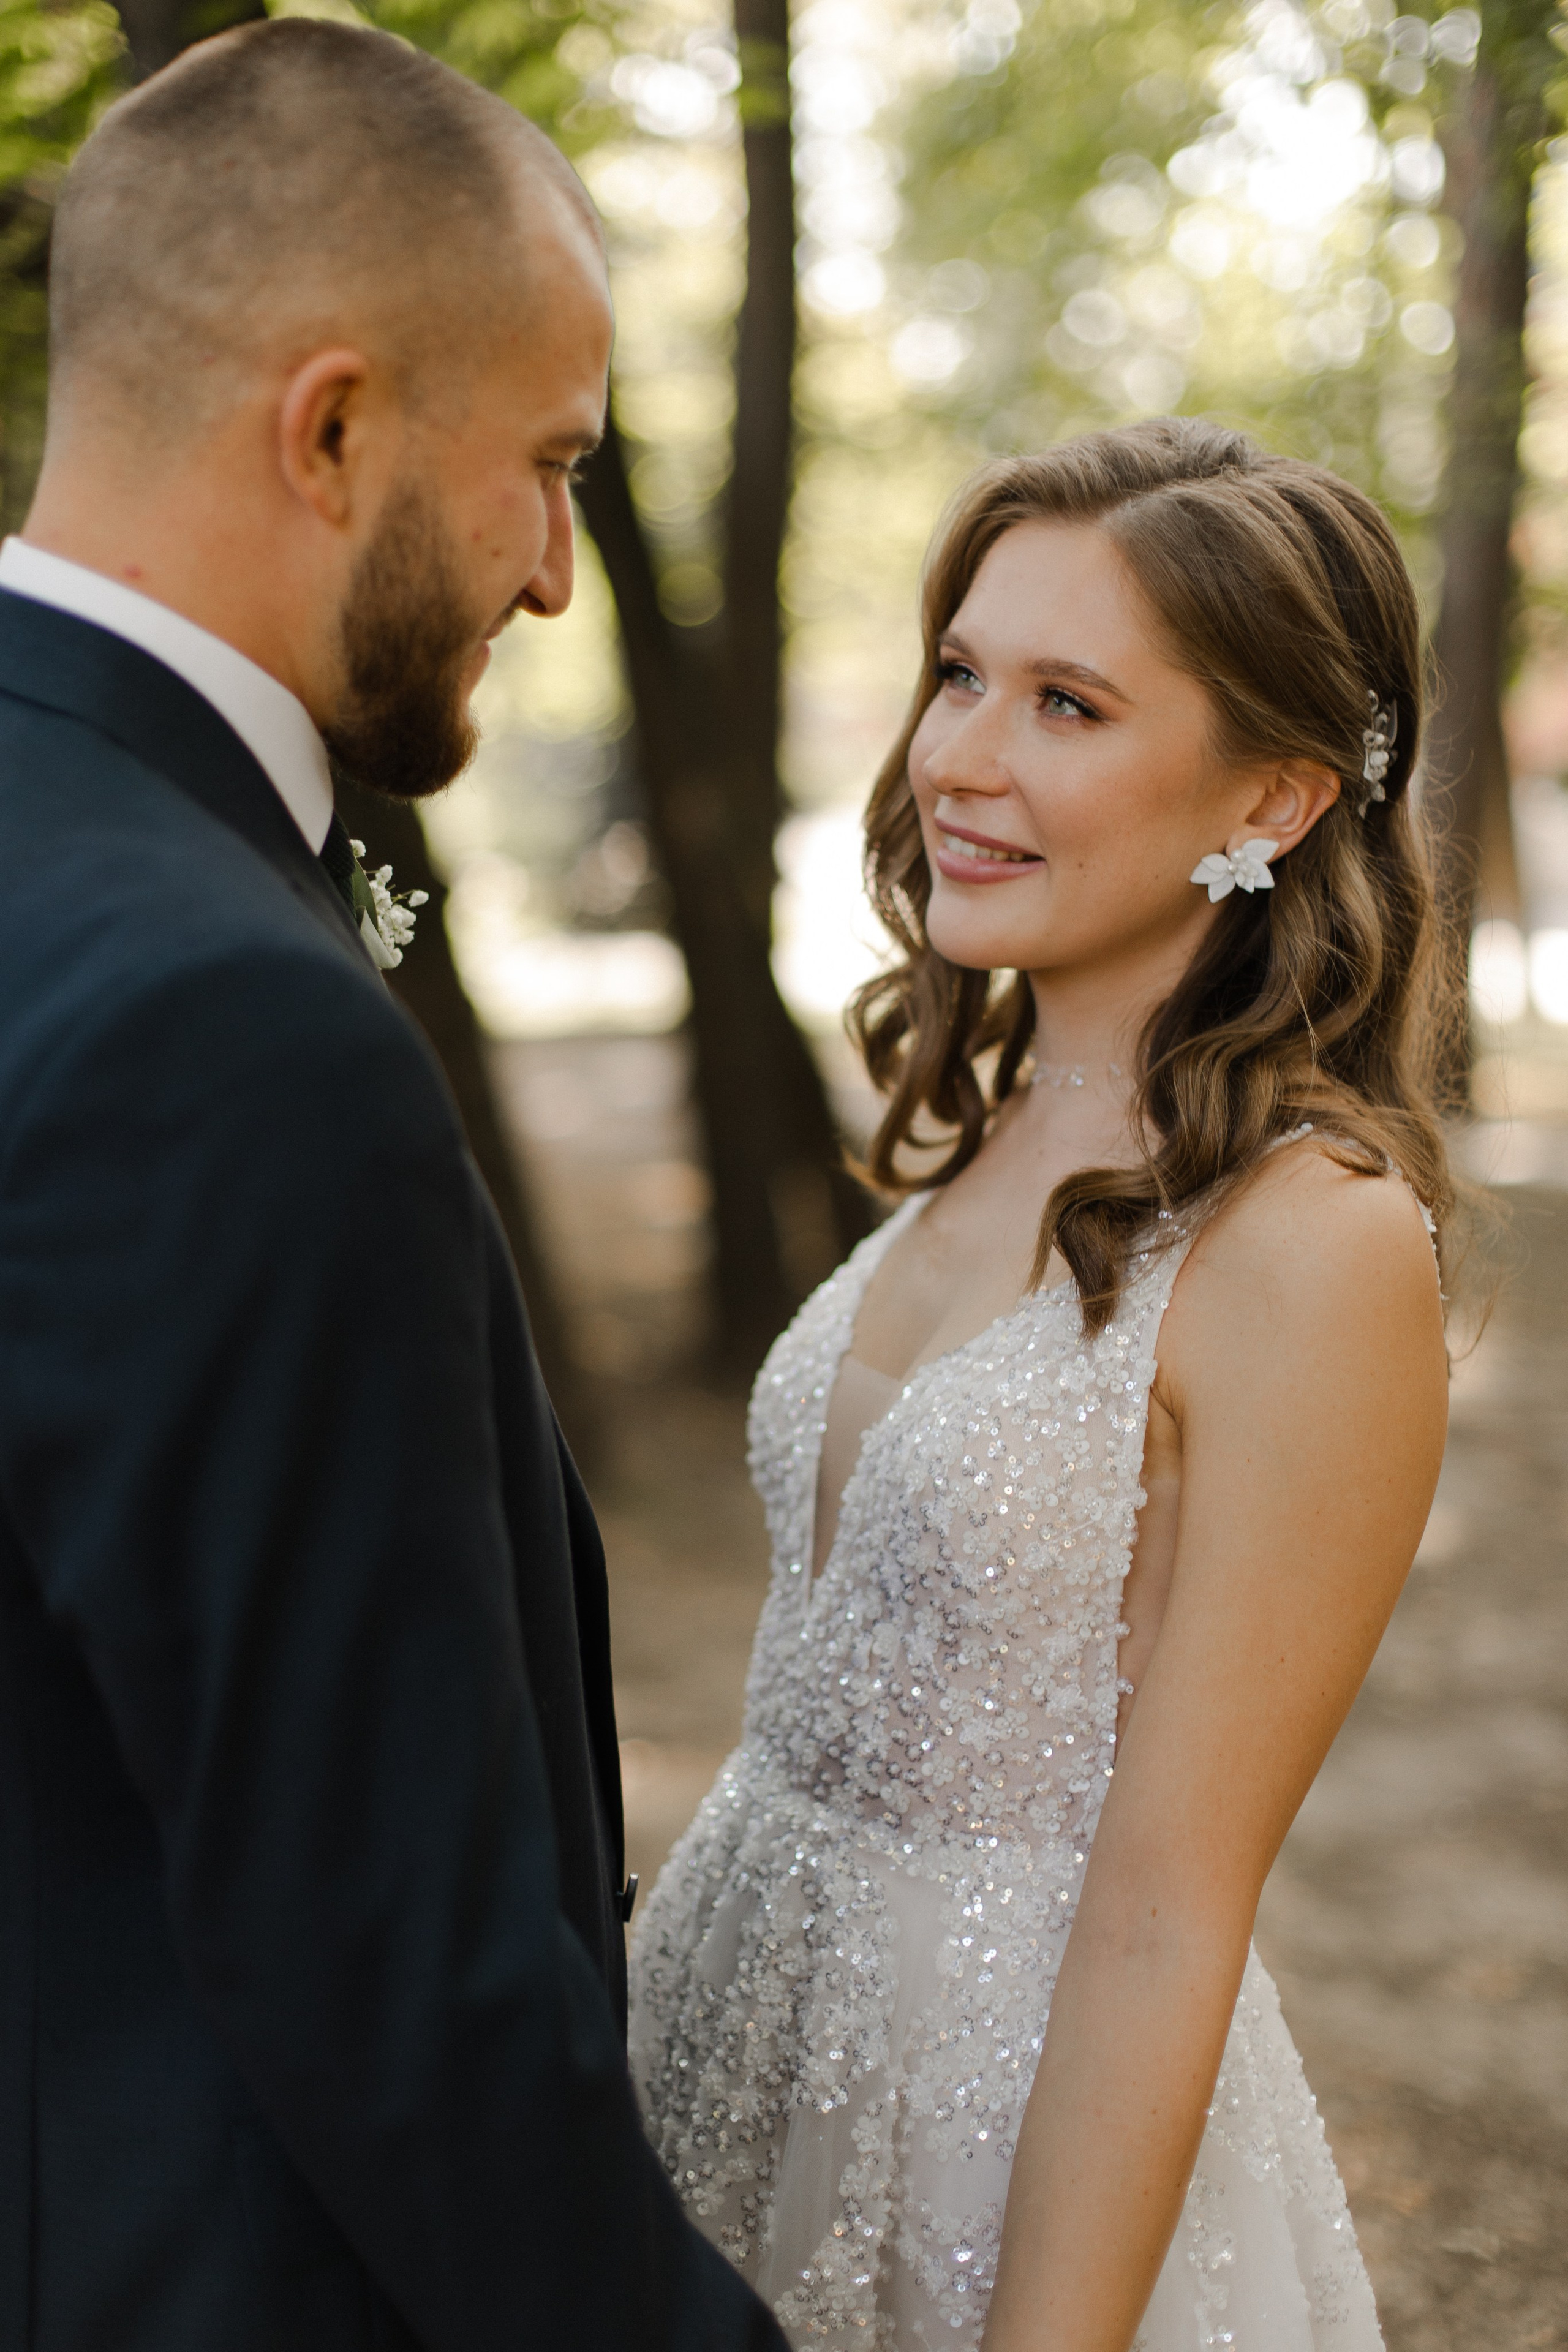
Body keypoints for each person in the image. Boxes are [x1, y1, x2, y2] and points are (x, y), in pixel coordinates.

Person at [0, 21, 786, 2351]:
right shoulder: (223, 1023)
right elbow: (387, 1964)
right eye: (546, 466)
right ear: (332, 429)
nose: (558, 572)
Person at [629, 418, 1455, 2351]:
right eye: (960, 673)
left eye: (1068, 704)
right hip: (724, 2045)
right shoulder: (980, 1125)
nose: (961, 760)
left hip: (1003, 2164)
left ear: (1272, 792)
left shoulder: (1311, 1244)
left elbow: (1175, 1903)